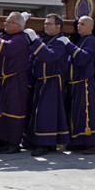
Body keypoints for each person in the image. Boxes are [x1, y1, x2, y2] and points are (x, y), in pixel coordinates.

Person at [0, 12, 30, 154]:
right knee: (0, 111)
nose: (5, 24)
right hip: (2, 81)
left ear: (18, 25)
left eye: (8, 22)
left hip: (15, 80)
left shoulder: (21, 38)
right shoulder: (6, 35)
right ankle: (1, 140)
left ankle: (13, 143)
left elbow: (6, 48)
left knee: (12, 111)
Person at [26, 14, 70, 155]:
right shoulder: (46, 39)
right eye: (45, 23)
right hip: (40, 81)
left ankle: (45, 144)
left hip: (52, 81)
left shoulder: (61, 41)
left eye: (49, 24)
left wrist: (34, 40)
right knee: (37, 112)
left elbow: (49, 57)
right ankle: (37, 141)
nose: (46, 26)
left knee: (46, 113)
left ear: (58, 27)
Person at [67, 16, 95, 154]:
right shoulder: (80, 40)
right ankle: (79, 141)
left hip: (84, 83)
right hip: (75, 84)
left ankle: (93, 143)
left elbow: (83, 58)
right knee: (77, 114)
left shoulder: (91, 40)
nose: (79, 26)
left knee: (88, 113)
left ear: (91, 27)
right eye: (79, 24)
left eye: (83, 24)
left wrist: (68, 45)